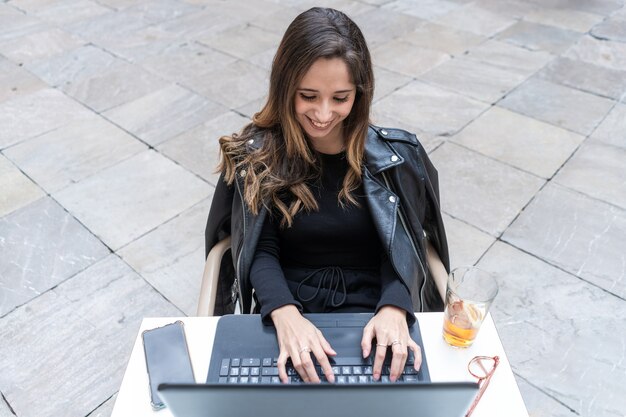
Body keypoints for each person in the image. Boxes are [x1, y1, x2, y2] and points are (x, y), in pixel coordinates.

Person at [204, 7, 450, 385]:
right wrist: (284, 314)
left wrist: (395, 307)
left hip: (375, 319)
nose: (323, 114)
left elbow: (403, 247)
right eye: (308, 96)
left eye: (340, 98)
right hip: (284, 311)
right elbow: (260, 249)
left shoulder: (397, 158)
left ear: (360, 93)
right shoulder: (259, 156)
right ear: (285, 87)